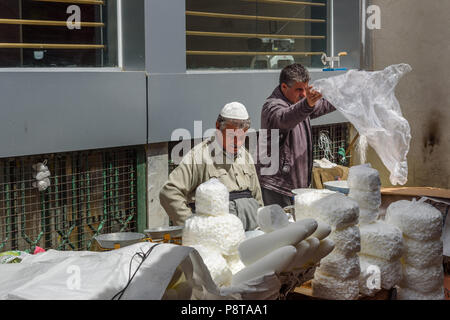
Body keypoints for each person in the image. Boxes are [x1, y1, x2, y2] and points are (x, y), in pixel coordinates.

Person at [160, 102, 264, 231]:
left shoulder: (246, 156)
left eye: (241, 134)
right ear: (218, 127)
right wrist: (192, 227)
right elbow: (169, 192)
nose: (237, 141)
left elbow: (257, 197)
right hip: (216, 239)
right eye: (231, 134)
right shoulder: (199, 156)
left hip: (249, 235)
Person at [257, 63, 336, 208]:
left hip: (296, 186)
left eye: (306, 89)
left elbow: (322, 105)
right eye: (299, 89)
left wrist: (344, 97)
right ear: (284, 87)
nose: (304, 94)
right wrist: (307, 103)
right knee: (280, 229)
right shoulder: (272, 106)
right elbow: (285, 118)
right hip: (277, 187)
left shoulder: (300, 103)